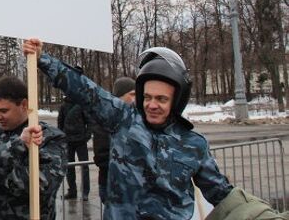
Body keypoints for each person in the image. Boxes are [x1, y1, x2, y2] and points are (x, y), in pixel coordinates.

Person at [23, 39, 234, 220]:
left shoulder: (194, 144)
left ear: (177, 101)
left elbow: (222, 194)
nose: (152, 105)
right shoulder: (123, 119)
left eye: (161, 99)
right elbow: (84, 90)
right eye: (148, 97)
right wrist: (43, 58)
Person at [0, 76, 66, 220]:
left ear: (23, 105)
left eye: (3, 110)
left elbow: (37, 189)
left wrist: (15, 149)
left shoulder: (48, 138)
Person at [92, 76, 136, 203]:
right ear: (120, 96)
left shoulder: (135, 117)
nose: (135, 99)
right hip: (110, 184)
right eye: (132, 94)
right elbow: (102, 156)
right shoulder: (104, 118)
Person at [58, 93, 91, 201]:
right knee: (69, 167)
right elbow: (60, 123)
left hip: (81, 141)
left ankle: (85, 192)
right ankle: (72, 191)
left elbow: (89, 121)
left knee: (85, 167)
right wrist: (62, 138)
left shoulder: (81, 104)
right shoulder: (63, 106)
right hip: (68, 142)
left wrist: (86, 136)